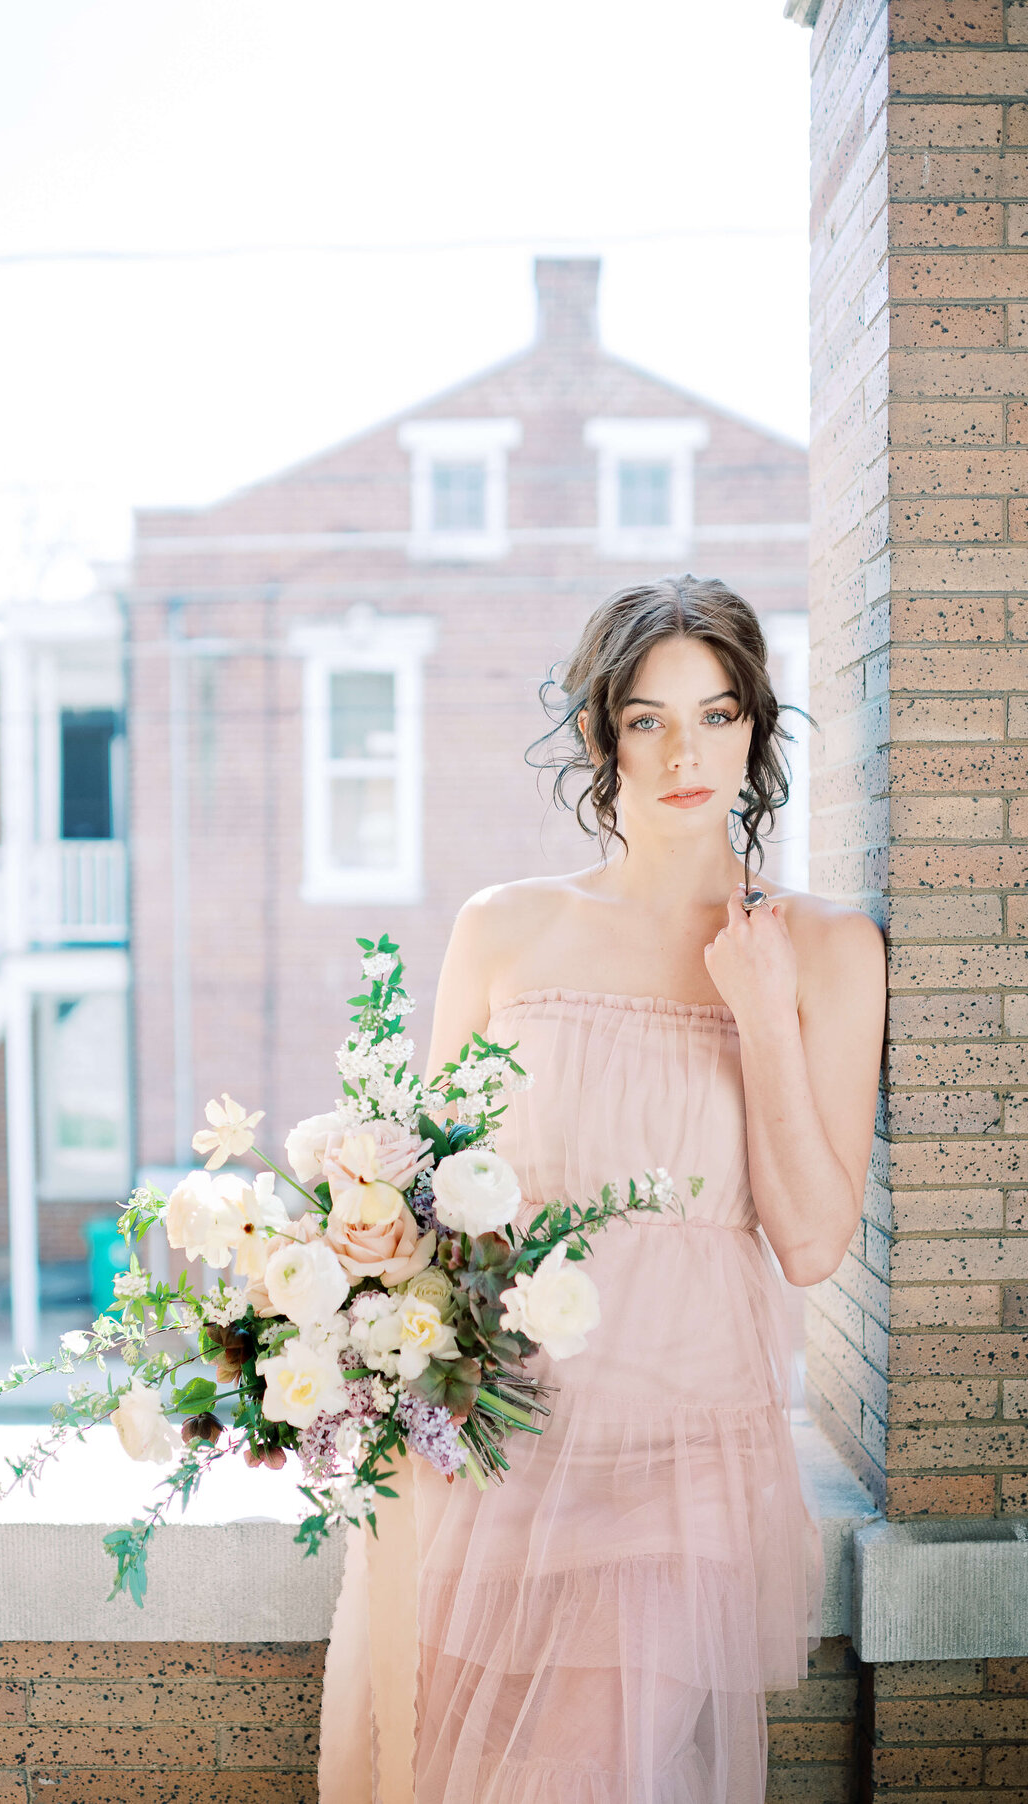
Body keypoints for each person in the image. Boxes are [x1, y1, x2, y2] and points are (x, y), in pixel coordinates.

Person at [318, 574, 886, 1804]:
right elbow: (424, 1206)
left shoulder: (828, 948)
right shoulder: (506, 927)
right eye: (649, 718)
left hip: (682, 1472)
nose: (688, 751)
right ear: (600, 734)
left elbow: (810, 1241)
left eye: (719, 714)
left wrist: (763, 1018)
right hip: (494, 1456)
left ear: (758, 728)